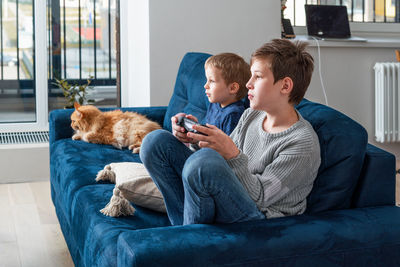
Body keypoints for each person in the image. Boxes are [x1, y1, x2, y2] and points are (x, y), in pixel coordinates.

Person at [140, 39, 321, 226]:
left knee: (201, 164)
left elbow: (260, 197)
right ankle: (183, 229)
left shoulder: (301, 143)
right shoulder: (252, 115)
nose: (248, 84)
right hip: (233, 195)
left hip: (261, 219)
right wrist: (194, 138)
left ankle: (188, 241)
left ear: (285, 86)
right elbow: (221, 159)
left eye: (257, 77)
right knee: (155, 142)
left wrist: (231, 153)